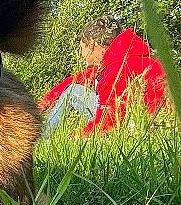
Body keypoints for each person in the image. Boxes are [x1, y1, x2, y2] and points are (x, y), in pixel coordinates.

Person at [40, 17, 168, 135]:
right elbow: (77, 79)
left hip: (141, 127)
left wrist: (74, 138)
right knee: (73, 90)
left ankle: (40, 138)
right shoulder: (123, 57)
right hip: (141, 119)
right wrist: (44, 103)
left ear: (92, 45)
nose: (81, 55)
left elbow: (107, 122)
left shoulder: (117, 69)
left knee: (74, 92)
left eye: (82, 48)